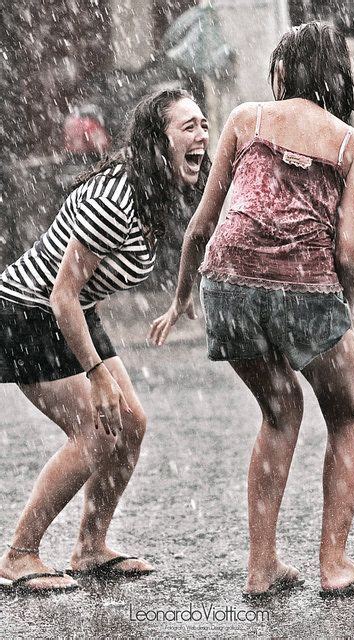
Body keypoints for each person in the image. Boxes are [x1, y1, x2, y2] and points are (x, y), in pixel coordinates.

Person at [150, 23, 354, 598]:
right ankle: (334, 564)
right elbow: (348, 252)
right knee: (350, 415)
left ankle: (262, 570)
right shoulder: (350, 143)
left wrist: (185, 295)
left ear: (283, 71)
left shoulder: (245, 118)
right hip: (304, 290)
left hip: (226, 286)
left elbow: (202, 225)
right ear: (338, 76)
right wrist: (345, 324)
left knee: (280, 408)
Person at [0, 88, 210, 593]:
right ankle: (19, 554)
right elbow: (61, 296)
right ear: (157, 142)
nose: (201, 135)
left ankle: (91, 547)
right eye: (188, 127)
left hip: (70, 311)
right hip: (28, 313)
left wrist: (181, 301)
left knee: (130, 423)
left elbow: (197, 236)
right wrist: (96, 375)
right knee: (97, 432)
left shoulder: (153, 193)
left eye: (204, 124)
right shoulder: (115, 201)